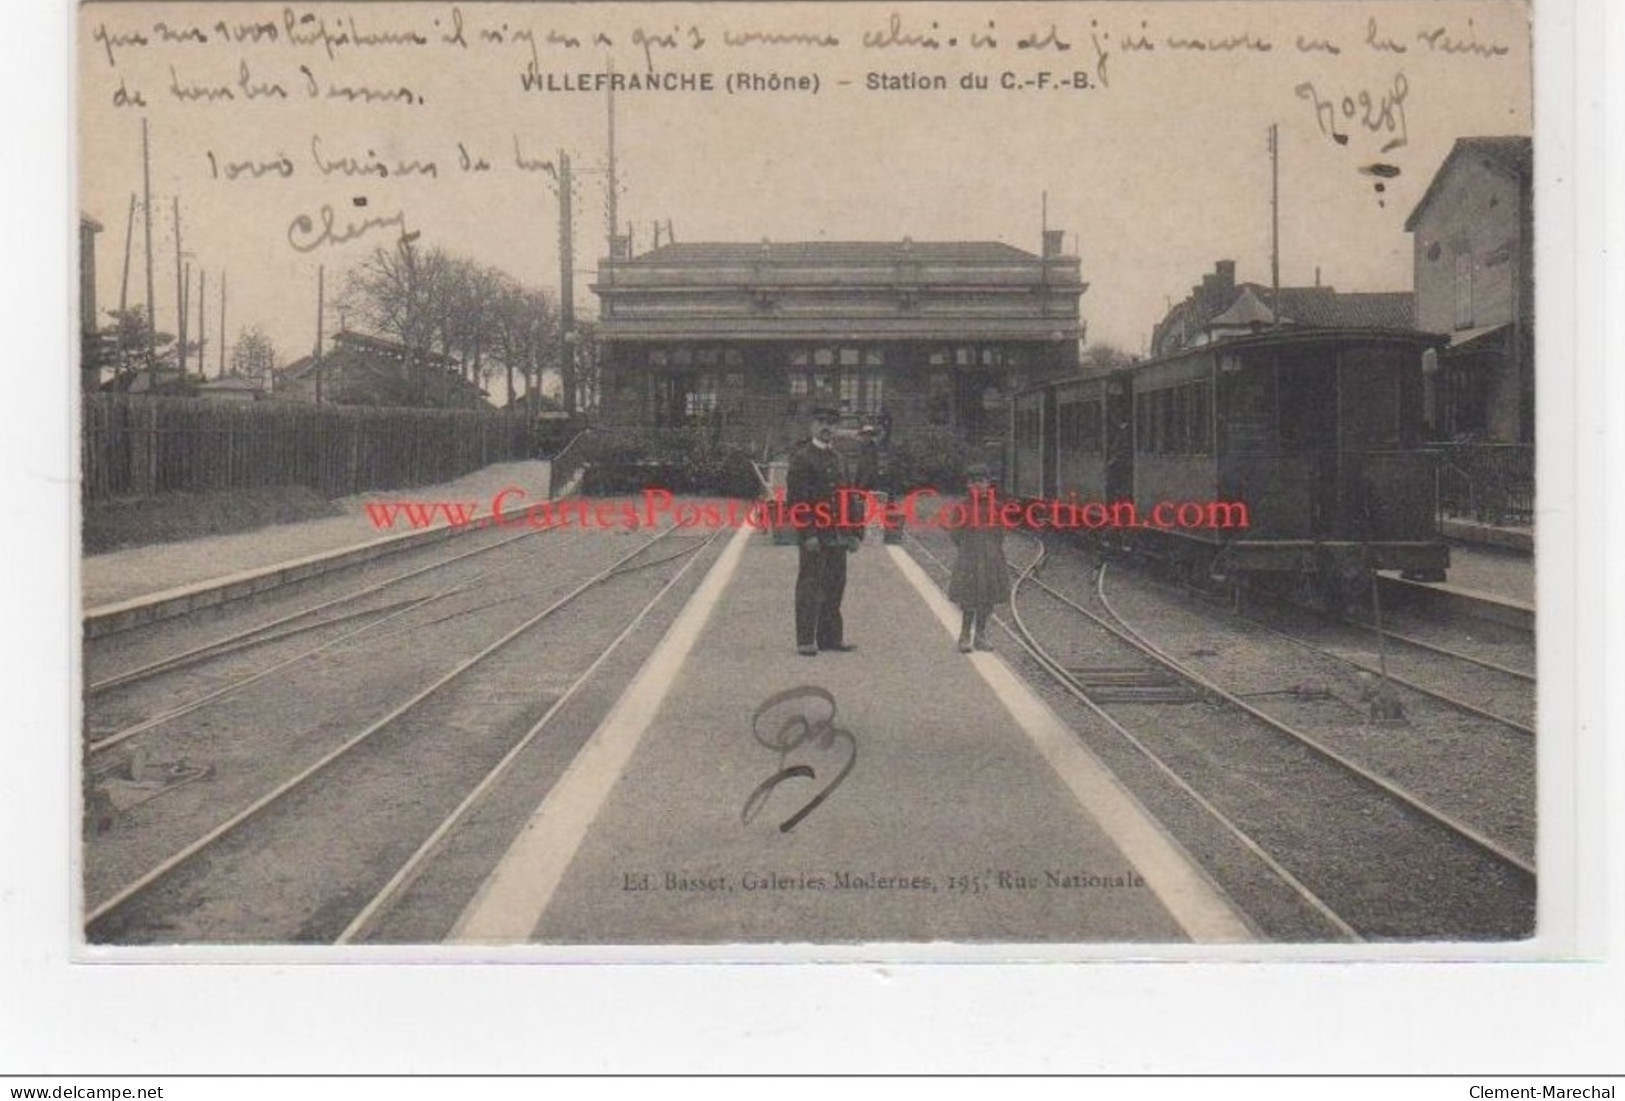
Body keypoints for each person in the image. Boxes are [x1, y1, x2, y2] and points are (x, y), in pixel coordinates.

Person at [786, 407, 861, 656]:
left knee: (835, 585)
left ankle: (830, 639)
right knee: (810, 586)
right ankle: (806, 640)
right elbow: (797, 501)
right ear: (811, 426)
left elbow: (850, 498)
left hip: (838, 533)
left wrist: (854, 532)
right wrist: (807, 533)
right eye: (821, 422)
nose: (827, 427)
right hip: (815, 535)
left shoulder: (839, 459)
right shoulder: (802, 458)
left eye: (832, 423)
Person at [948, 464, 1012, 653]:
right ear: (968, 485)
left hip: (992, 558)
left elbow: (1001, 532)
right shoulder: (962, 507)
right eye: (974, 482)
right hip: (970, 557)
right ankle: (965, 635)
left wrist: (992, 549)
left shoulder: (997, 507)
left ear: (988, 484)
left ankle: (981, 636)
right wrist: (969, 549)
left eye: (982, 482)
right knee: (969, 598)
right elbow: (955, 534)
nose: (978, 486)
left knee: (988, 597)